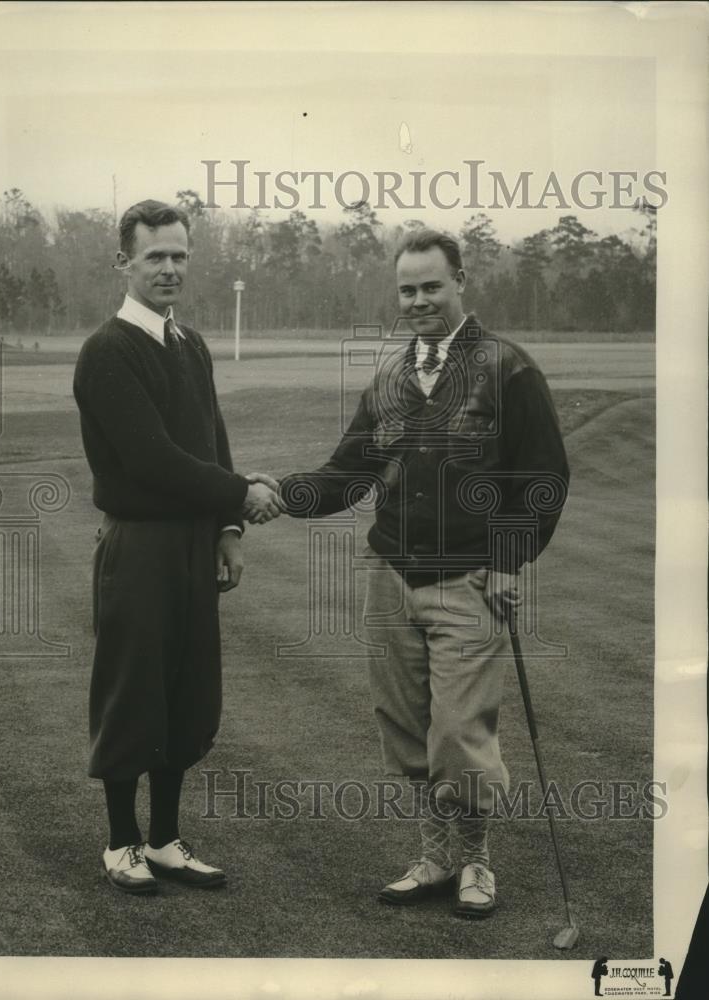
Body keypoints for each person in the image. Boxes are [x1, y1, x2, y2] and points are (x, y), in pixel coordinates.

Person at [262, 228, 569, 918]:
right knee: (403, 724)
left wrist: (510, 561)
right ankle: (432, 857)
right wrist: (276, 493)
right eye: (407, 290)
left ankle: (474, 862)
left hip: (468, 580)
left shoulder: (506, 367)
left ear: (460, 281)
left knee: (459, 731)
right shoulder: (389, 378)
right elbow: (347, 472)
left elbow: (543, 476)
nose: (419, 300)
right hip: (390, 572)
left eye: (431, 286)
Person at [73, 199, 281, 895]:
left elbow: (210, 438)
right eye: (154, 255)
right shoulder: (108, 351)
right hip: (139, 549)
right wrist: (239, 491)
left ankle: (163, 839)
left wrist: (227, 529)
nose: (168, 268)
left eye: (179, 255)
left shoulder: (187, 343)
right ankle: (119, 842)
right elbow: (153, 461)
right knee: (133, 695)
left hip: (195, 544)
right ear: (124, 262)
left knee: (186, 696)